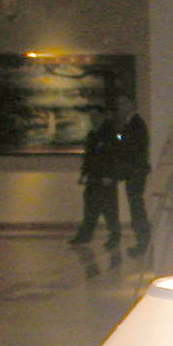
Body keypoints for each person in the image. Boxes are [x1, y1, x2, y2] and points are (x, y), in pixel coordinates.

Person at [67, 103, 119, 249]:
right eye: (91, 116)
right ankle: (85, 235)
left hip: (105, 178)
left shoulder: (110, 132)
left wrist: (109, 175)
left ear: (102, 116)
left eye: (95, 115)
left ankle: (114, 236)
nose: (92, 118)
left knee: (109, 209)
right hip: (94, 176)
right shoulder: (93, 134)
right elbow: (89, 157)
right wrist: (84, 173)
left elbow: (113, 156)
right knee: (90, 207)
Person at [108, 94, 151, 257]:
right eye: (119, 103)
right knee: (135, 206)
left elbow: (131, 147)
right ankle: (142, 241)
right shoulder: (129, 124)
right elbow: (122, 141)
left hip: (135, 171)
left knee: (137, 207)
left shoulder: (136, 124)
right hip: (132, 172)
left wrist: (120, 137)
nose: (121, 107)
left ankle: (143, 242)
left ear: (132, 104)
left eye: (124, 103)